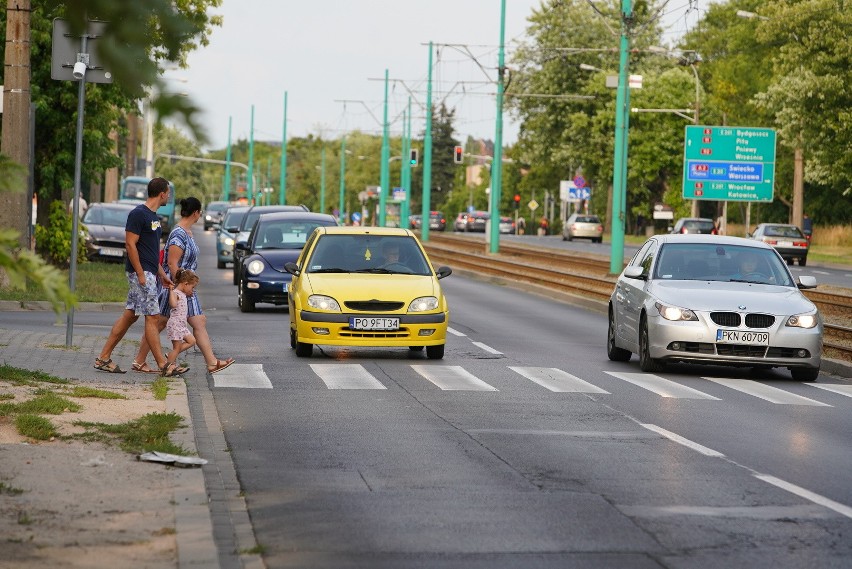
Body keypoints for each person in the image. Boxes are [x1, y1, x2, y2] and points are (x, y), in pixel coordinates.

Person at [132, 196, 235, 375]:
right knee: (160, 323)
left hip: (185, 286)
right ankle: (143, 360)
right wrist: (179, 289)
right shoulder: (178, 233)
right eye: (200, 211)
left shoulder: (187, 232)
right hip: (175, 287)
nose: (200, 214)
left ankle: (211, 362)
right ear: (196, 213)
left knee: (192, 322)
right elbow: (172, 263)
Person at [94, 177, 177, 376]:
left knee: (130, 316)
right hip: (141, 273)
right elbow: (130, 245)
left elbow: (149, 251)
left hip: (150, 272)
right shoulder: (138, 214)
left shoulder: (154, 218)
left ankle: (103, 358)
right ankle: (163, 365)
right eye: (168, 192)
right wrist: (140, 273)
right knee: (153, 317)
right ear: (162, 193)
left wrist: (162, 274)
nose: (169, 196)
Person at [165, 268, 198, 372]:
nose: (192, 290)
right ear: (185, 284)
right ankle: (169, 368)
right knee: (177, 348)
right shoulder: (176, 293)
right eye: (192, 287)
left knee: (192, 341)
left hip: (181, 326)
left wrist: (188, 293)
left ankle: (171, 356)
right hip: (175, 325)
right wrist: (170, 291)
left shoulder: (183, 293)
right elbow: (173, 304)